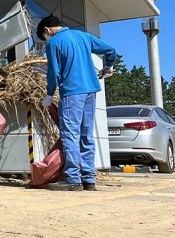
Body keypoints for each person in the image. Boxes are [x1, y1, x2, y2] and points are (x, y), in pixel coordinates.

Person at [36, 15, 117, 192]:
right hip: (90, 91)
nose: (46, 39)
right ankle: (88, 179)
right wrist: (108, 66)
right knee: (86, 134)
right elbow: (111, 50)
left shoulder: (53, 43)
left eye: (45, 36)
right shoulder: (83, 36)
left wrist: (49, 94)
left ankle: (73, 178)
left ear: (47, 30)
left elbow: (53, 72)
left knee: (70, 134)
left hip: (72, 92)